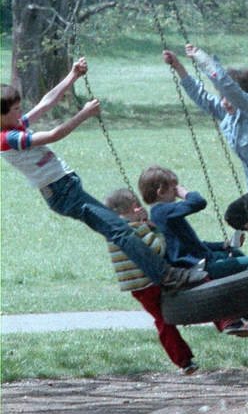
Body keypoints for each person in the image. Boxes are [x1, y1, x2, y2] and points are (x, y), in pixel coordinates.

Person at [0, 59, 206, 295]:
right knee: (120, 230)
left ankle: (167, 274)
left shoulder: (14, 125)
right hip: (63, 194)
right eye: (15, 109)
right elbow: (54, 134)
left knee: (121, 229)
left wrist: (73, 75)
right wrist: (84, 114)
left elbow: (46, 103)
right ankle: (168, 277)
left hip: (67, 191)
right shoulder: (8, 138)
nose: (21, 112)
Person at [162, 45, 248, 263]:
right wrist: (179, 66)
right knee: (237, 215)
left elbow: (227, 86)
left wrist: (202, 59)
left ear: (241, 95)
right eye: (222, 96)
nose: (224, 101)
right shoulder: (227, 115)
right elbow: (200, 96)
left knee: (236, 212)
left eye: (228, 96)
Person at [138, 165, 248, 336]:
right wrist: (184, 192)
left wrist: (223, 245)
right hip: (197, 269)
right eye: (173, 189)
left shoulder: (165, 214)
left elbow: (193, 244)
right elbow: (198, 202)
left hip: (205, 259)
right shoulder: (162, 211)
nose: (176, 193)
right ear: (161, 192)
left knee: (235, 254)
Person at [103, 188, 200, 374]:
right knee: (199, 282)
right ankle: (226, 321)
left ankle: (184, 361)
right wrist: (151, 227)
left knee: (162, 320)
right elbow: (158, 249)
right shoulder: (137, 227)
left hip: (136, 288)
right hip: (152, 282)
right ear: (135, 207)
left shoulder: (111, 231)